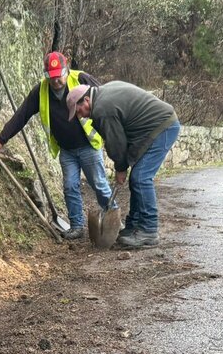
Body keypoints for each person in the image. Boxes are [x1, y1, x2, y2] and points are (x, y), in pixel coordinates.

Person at [0, 52, 116, 240]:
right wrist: (0, 140)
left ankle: (114, 220)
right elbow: (21, 116)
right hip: (66, 150)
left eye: (59, 75)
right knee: (70, 186)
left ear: (66, 69)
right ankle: (77, 226)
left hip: (88, 145)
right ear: (46, 75)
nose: (56, 81)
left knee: (100, 185)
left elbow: (106, 98)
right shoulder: (41, 91)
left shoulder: (80, 79)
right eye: (51, 77)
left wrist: (114, 133)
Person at [66, 82, 180, 248]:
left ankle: (148, 230)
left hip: (162, 127)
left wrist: (121, 167)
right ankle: (133, 226)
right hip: (149, 130)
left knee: (141, 178)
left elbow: (117, 143)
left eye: (79, 111)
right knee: (137, 178)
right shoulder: (103, 94)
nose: (81, 116)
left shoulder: (103, 109)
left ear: (86, 100)